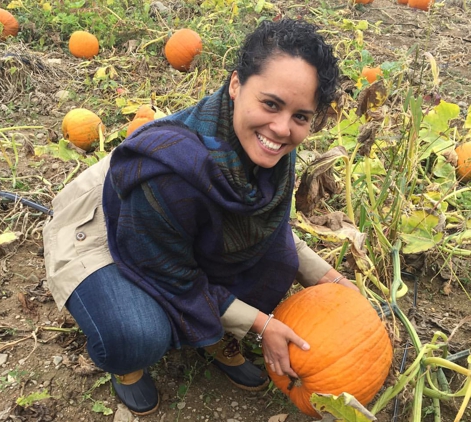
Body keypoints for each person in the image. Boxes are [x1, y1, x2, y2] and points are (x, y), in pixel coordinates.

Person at [43, 18, 358, 416]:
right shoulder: (171, 174)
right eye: (271, 104)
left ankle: (211, 334)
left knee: (277, 258)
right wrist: (262, 324)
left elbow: (269, 226)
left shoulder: (271, 148)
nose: (282, 128)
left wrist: (329, 278)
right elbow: (169, 274)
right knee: (137, 333)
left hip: (170, 225)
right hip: (102, 228)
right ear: (236, 84)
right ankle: (128, 364)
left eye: (301, 116)